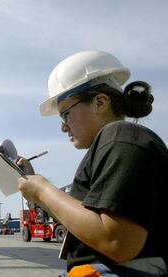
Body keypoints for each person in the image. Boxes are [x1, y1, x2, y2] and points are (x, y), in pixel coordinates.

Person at [16, 50, 168, 276]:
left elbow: (117, 242)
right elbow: (85, 221)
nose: (63, 126)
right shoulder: (116, 143)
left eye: (65, 114)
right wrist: (36, 184)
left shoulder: (121, 137)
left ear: (100, 102)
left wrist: (42, 190)